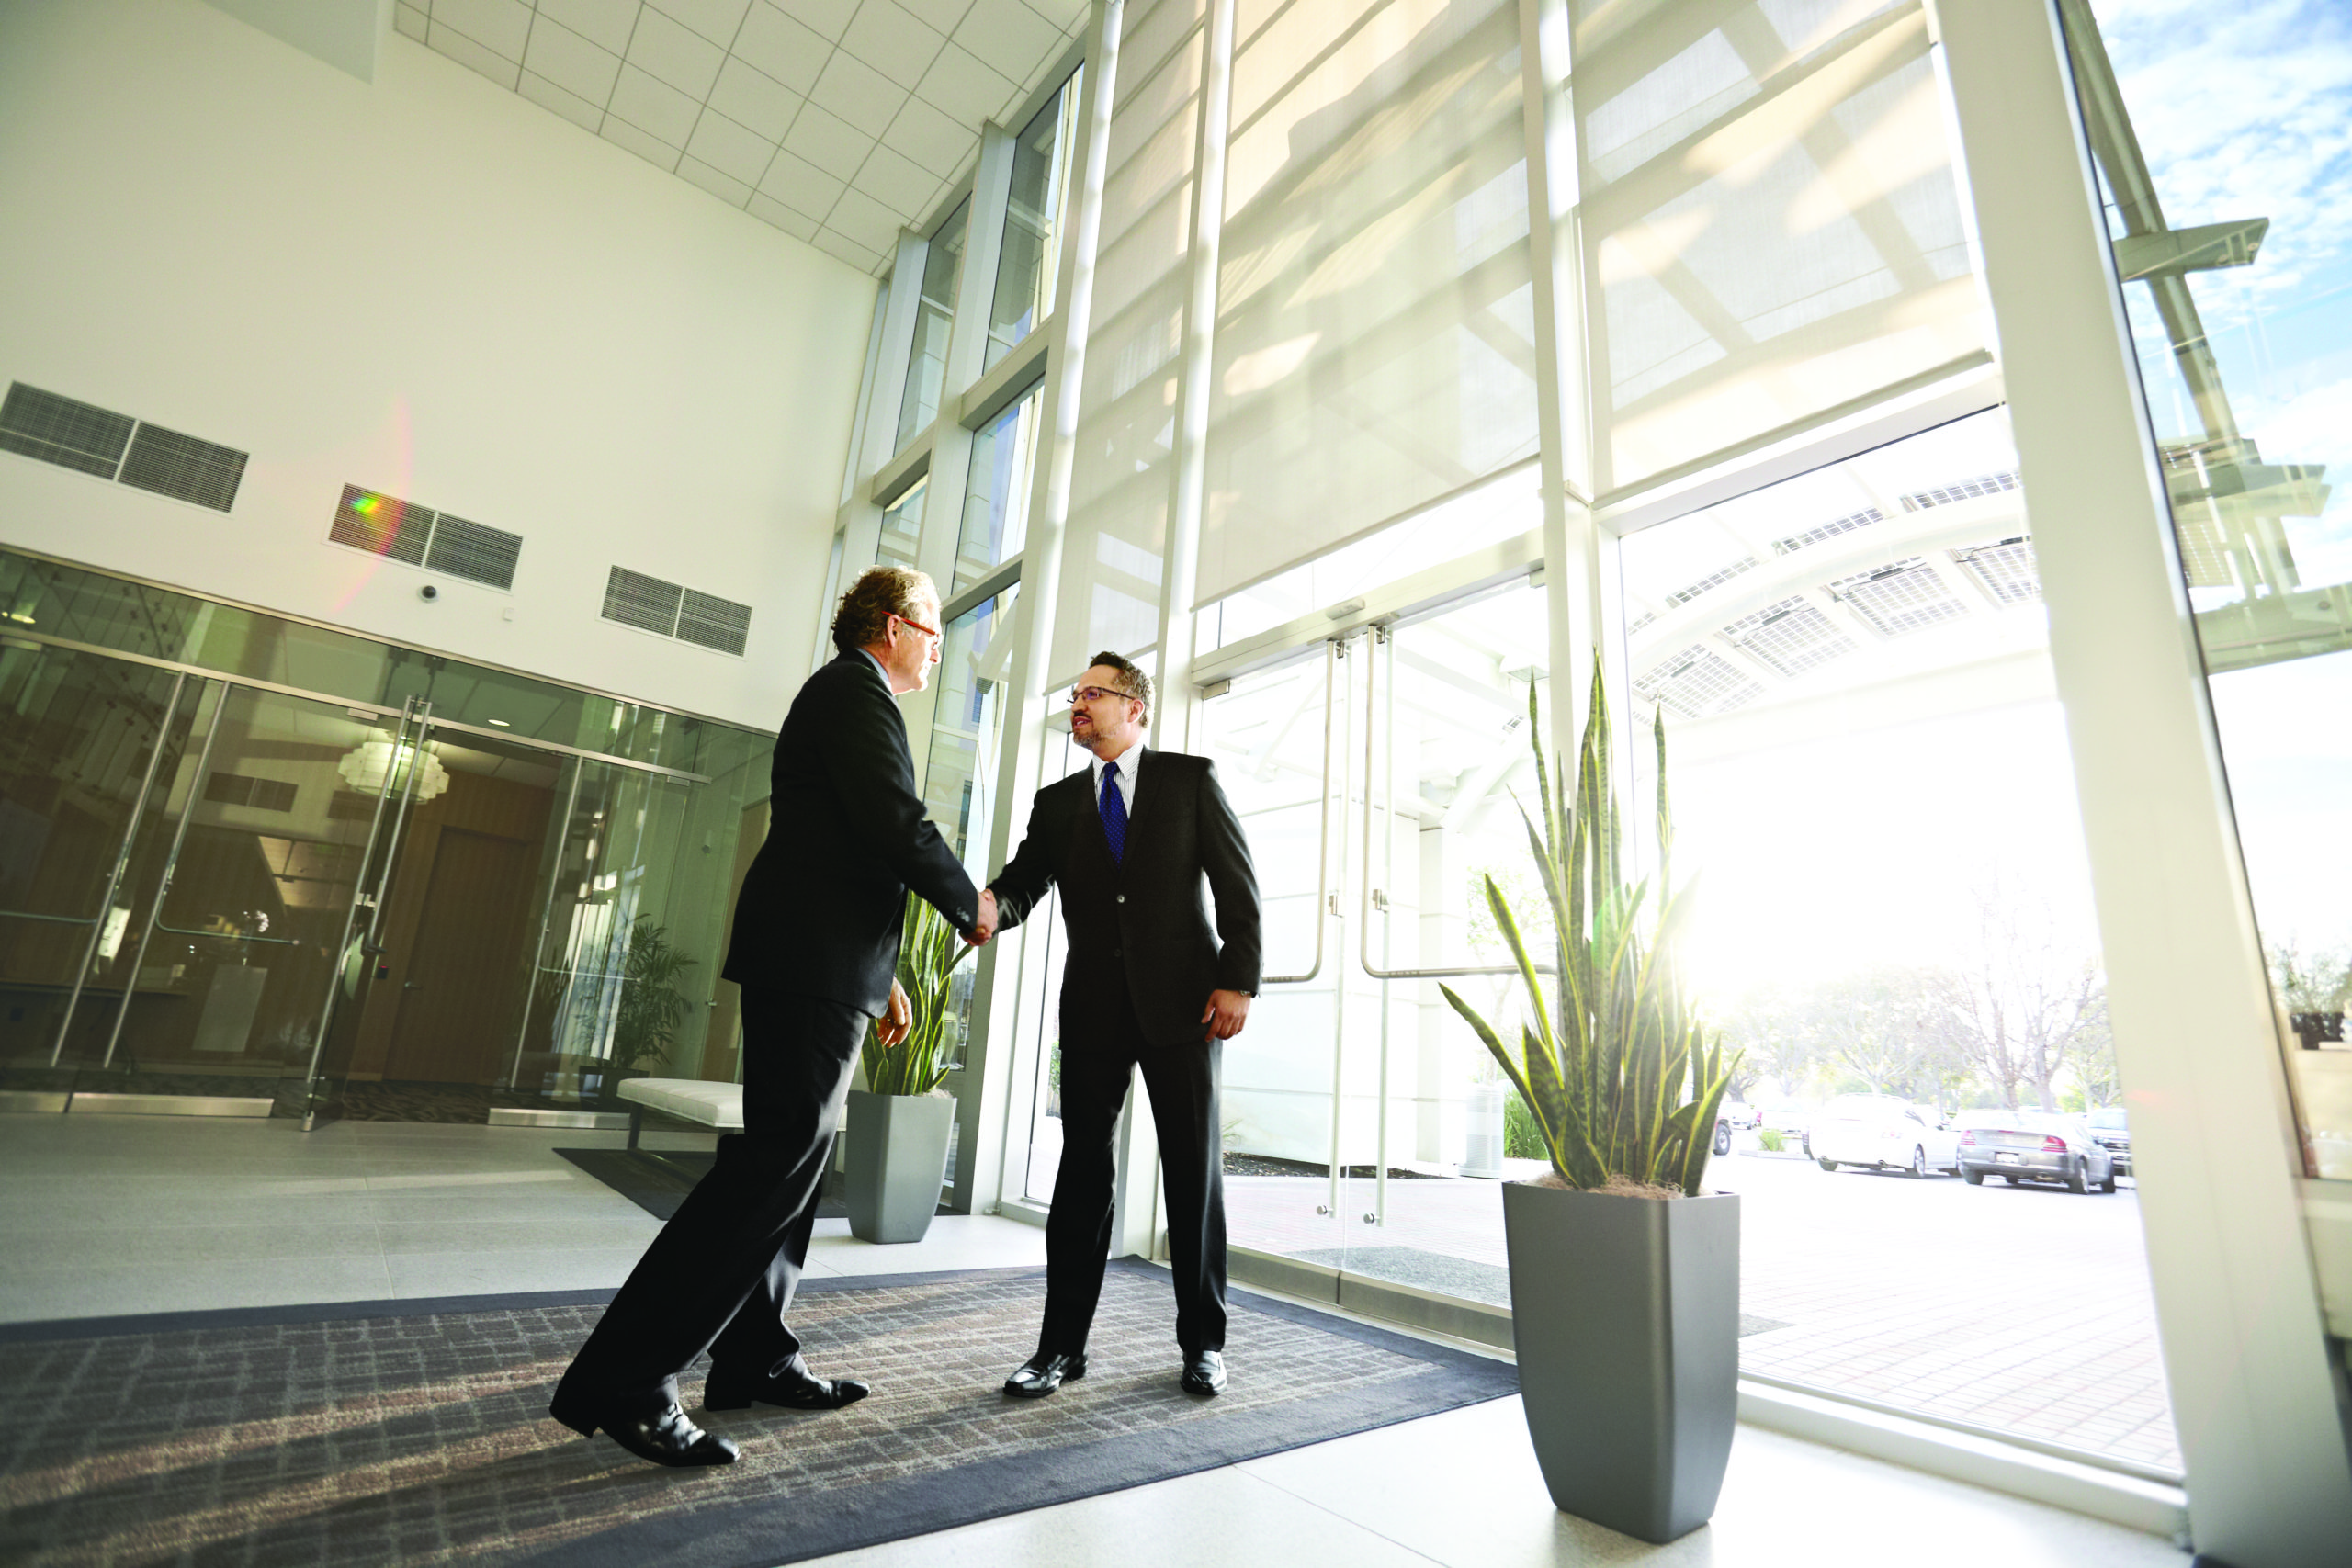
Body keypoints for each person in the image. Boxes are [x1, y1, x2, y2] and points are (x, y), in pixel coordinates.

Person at [549, 565, 989, 1468]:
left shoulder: (855, 700)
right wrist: (966, 900)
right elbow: (890, 821)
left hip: (825, 962)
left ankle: (754, 1356)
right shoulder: (854, 693)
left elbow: (842, 848)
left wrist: (885, 975)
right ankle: (627, 1378)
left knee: (795, 1165)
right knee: (769, 1169)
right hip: (807, 964)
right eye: (933, 626)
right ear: (891, 625)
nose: (941, 645)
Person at [980, 651, 1261, 1399]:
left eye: (1093, 694)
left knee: (1192, 1176)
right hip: (1096, 1011)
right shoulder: (1058, 801)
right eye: (1075, 695)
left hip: (1188, 1007)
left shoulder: (1189, 781)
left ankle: (1204, 1344)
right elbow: (1021, 884)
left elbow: (1239, 887)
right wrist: (984, 910)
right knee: (1080, 1175)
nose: (1080, 704)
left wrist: (1238, 979)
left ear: (1135, 708)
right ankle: (1059, 1348)